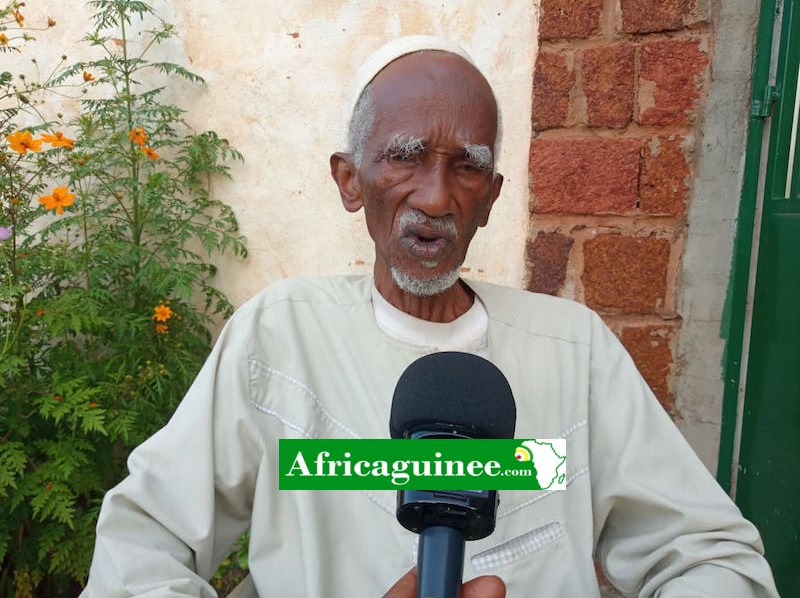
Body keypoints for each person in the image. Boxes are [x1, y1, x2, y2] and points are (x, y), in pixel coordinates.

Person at [81, 36, 778, 597]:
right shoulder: (279, 337)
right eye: (404, 158)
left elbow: (710, 558)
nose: (437, 197)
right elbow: (140, 551)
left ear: (493, 196)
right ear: (350, 180)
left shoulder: (573, 351)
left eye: (467, 167)